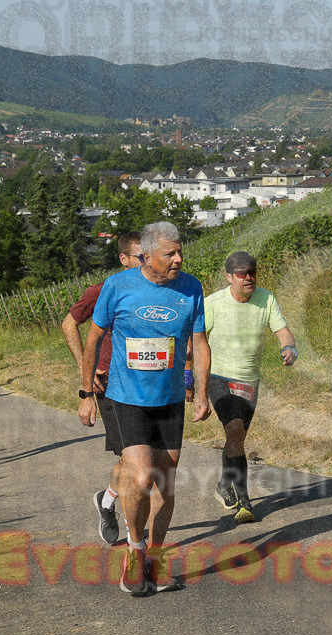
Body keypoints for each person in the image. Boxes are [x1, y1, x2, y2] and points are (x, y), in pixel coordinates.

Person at [78, 221, 211, 596]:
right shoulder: (118, 286)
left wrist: (201, 391)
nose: (179, 259)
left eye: (180, 252)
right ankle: (135, 551)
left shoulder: (190, 287)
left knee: (164, 485)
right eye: (170, 254)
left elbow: (199, 342)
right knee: (139, 478)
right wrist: (85, 393)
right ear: (147, 256)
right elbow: (93, 339)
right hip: (127, 397)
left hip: (169, 400)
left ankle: (156, 555)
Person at [61, 231, 142, 544]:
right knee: (132, 462)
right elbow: (69, 324)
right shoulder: (103, 290)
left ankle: (107, 501)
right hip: (112, 388)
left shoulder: (155, 291)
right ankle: (137, 538)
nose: (147, 263)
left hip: (147, 388)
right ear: (123, 259)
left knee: (140, 462)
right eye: (140, 257)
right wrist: (87, 368)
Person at [206, 251, 296, 524]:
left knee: (237, 437)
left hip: (250, 381)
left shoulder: (266, 298)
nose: (249, 278)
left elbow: (282, 330)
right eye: (242, 274)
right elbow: (195, 340)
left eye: (252, 273)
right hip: (219, 376)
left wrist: (288, 346)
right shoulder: (213, 303)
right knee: (234, 430)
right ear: (229, 277)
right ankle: (245, 499)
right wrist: (189, 378)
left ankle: (224, 484)